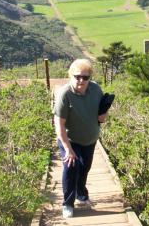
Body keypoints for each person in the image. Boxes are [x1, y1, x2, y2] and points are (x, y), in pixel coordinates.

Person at [53, 58, 107, 219]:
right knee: (71, 168)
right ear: (71, 75)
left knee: (84, 168)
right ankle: (67, 204)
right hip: (70, 139)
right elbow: (59, 126)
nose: (81, 80)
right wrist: (68, 150)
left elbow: (101, 112)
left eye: (85, 77)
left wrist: (103, 115)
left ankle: (81, 194)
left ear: (90, 77)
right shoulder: (65, 94)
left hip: (90, 139)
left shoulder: (96, 90)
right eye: (77, 76)